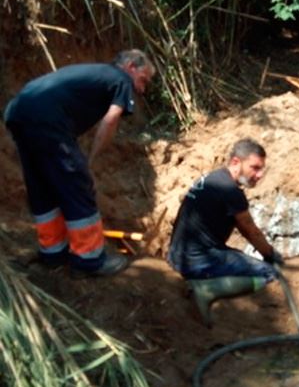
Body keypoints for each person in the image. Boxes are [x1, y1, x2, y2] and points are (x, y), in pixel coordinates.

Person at [3, 49, 155, 278]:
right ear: (131, 66)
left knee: (42, 185)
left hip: (18, 112)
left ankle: (53, 253)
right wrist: (89, 162)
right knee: (77, 183)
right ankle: (89, 259)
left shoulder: (95, 74)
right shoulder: (120, 78)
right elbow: (111, 119)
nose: (141, 89)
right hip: (47, 119)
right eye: (143, 80)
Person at [168, 138, 284, 327]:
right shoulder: (230, 191)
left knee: (238, 257)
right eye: (255, 168)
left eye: (261, 169)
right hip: (196, 261)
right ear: (236, 162)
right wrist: (272, 255)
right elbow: (250, 231)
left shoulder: (214, 178)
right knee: (267, 272)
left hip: (177, 254)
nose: (260, 174)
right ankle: (206, 289)